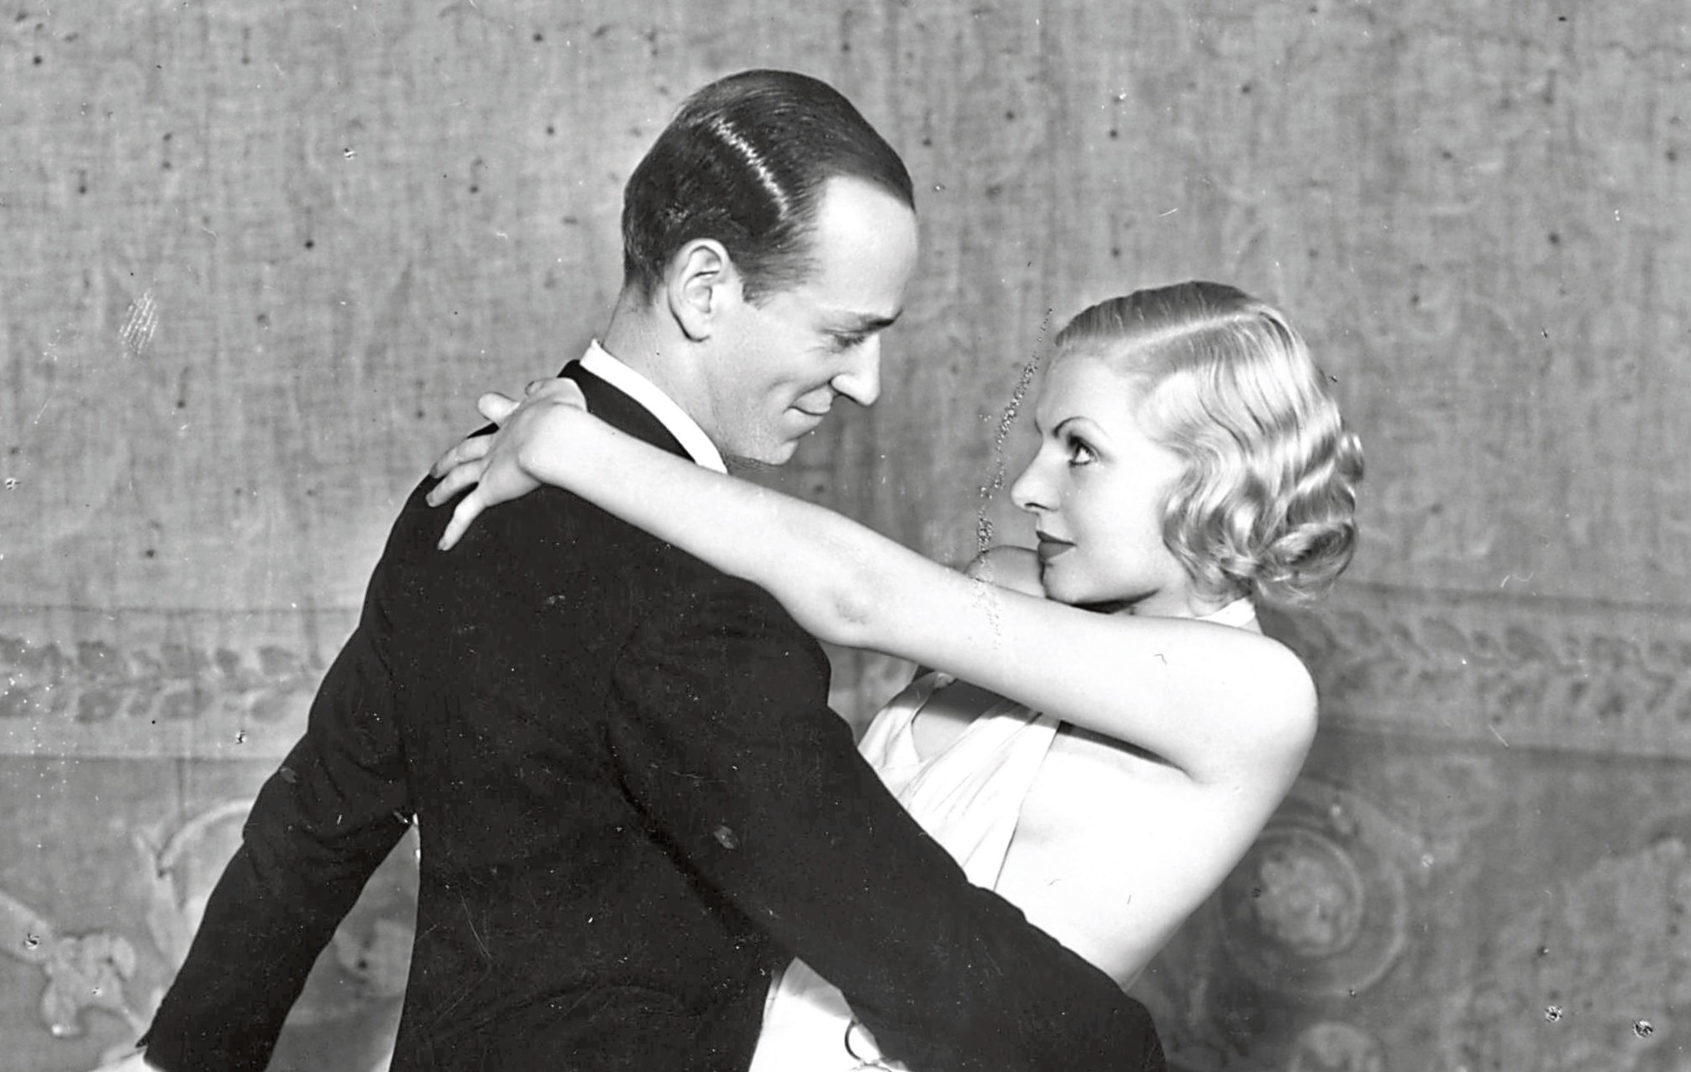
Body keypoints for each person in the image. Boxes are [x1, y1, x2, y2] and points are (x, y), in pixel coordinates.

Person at [126, 70, 1172, 1072]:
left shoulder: (466, 484)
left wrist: (180, 1053)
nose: (865, 384)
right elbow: (908, 943)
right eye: (844, 335)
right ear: (707, 285)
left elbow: (320, 815)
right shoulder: (697, 605)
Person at [425, 280, 1366, 1070]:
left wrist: (575, 446)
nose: (1032, 486)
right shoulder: (1013, 593)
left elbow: (856, 594)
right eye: (1039, 441)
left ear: (1217, 473)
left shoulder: (1253, 693)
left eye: (1079, 449)